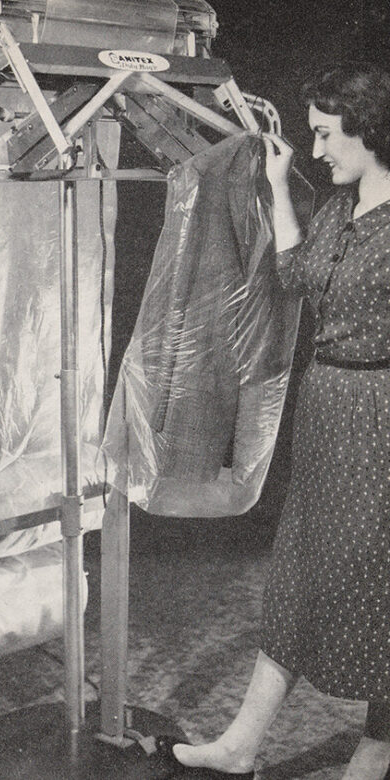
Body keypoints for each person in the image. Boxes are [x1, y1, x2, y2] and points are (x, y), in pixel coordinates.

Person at [156, 61, 390, 780]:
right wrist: (283, 185)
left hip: (381, 421)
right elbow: (293, 278)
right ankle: (242, 743)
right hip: (327, 414)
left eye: (324, 133)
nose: (316, 148)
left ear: (369, 127)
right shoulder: (342, 210)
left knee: (377, 584)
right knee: (296, 578)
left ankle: (376, 753)